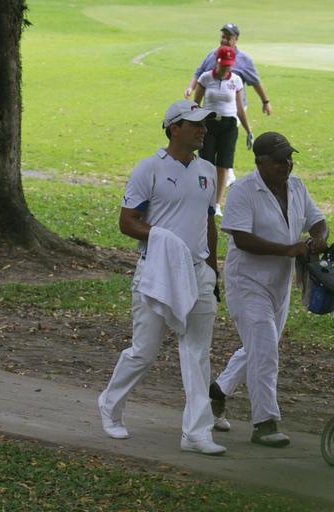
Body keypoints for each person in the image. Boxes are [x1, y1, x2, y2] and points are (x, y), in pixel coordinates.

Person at [97, 99, 226, 456]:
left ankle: (197, 432)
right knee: (144, 351)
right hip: (157, 271)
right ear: (174, 128)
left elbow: (208, 222)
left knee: (197, 352)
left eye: (204, 124)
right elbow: (127, 222)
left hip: (199, 273)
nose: (202, 130)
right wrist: (163, 237)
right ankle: (110, 403)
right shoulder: (148, 169)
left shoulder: (207, 171)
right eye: (195, 124)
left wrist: (213, 271)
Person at [209, 132, 329, 447]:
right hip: (247, 282)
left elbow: (318, 221)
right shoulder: (242, 192)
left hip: (280, 285)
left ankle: (218, 393)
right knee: (264, 349)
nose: (286, 165)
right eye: (279, 161)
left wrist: (318, 238)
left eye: (289, 158)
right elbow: (241, 239)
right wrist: (289, 250)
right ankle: (265, 422)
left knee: (259, 347)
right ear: (260, 162)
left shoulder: (298, 188)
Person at [194, 45, 252, 217]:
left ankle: (217, 204)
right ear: (217, 61)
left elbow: (240, 108)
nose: (227, 67)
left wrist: (249, 130)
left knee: (224, 166)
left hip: (229, 126)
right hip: (209, 124)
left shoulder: (236, 80)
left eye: (229, 64)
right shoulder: (205, 78)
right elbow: (196, 105)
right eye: (224, 64)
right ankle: (204, 200)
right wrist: (194, 125)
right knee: (206, 165)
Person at [184, 23, 272, 117]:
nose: (224, 40)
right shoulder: (212, 54)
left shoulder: (245, 60)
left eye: (228, 38)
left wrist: (265, 102)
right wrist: (190, 87)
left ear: (236, 39)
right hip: (212, 106)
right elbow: (199, 73)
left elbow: (256, 82)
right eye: (223, 37)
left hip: (235, 108)